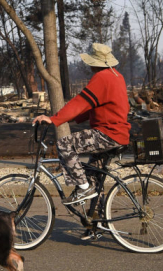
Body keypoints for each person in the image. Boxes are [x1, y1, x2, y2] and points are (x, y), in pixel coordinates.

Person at [33, 43, 131, 206]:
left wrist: (55, 119)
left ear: (94, 63)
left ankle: (84, 188)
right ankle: (97, 225)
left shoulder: (101, 77)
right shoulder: (116, 76)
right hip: (118, 134)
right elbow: (92, 106)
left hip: (108, 134)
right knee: (94, 181)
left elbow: (81, 102)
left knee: (65, 144)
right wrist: (67, 118)